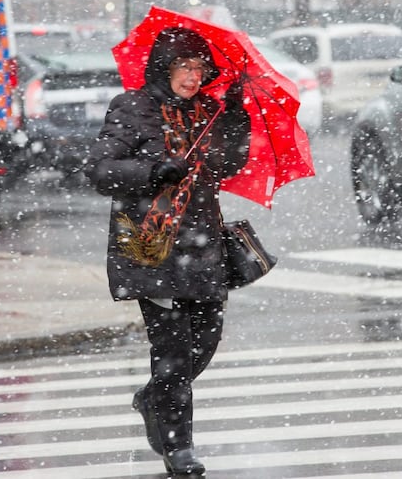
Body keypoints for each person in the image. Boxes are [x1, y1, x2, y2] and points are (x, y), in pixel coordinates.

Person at [84, 27, 251, 476]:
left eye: (200, 68)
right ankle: (179, 449)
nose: (193, 77)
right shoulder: (133, 108)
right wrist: (153, 171)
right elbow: (100, 171)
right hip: (151, 249)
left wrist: (234, 114)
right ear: (164, 66)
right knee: (173, 352)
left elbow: (229, 163)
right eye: (184, 67)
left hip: (203, 248)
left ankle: (153, 396)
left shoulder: (208, 112)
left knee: (206, 343)